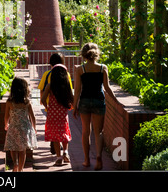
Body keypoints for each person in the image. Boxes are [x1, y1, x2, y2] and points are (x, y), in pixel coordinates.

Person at [72, 42, 116, 170]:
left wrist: (75, 106)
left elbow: (78, 90)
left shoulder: (80, 69)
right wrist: (116, 100)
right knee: (98, 132)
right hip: (98, 101)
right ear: (96, 54)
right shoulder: (103, 68)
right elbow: (107, 88)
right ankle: (98, 158)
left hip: (85, 101)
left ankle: (86, 160)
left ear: (84, 54)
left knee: (85, 132)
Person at [38, 53, 73, 154]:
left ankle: (55, 148)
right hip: (62, 106)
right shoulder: (67, 74)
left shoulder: (47, 74)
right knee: (63, 128)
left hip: (51, 107)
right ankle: (64, 151)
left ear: (50, 63)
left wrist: (44, 103)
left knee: (53, 129)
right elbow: (69, 90)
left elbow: (42, 89)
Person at [4, 77, 38, 172]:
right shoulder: (27, 102)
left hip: (13, 127)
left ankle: (15, 164)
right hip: (25, 129)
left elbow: (6, 116)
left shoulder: (9, 102)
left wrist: (6, 124)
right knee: (22, 150)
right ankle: (20, 169)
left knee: (13, 147)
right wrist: (34, 128)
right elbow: (32, 117)